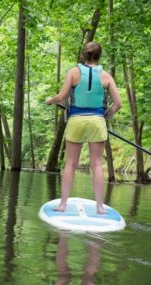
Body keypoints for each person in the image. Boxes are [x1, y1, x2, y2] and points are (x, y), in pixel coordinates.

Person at [45, 42, 121, 214]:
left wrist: (50, 100)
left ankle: (63, 204)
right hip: (97, 121)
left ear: (84, 55)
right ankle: (100, 207)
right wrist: (105, 117)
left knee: (71, 163)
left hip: (76, 121)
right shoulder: (106, 76)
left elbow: (62, 97)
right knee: (96, 164)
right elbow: (118, 104)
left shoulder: (73, 72)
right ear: (99, 56)